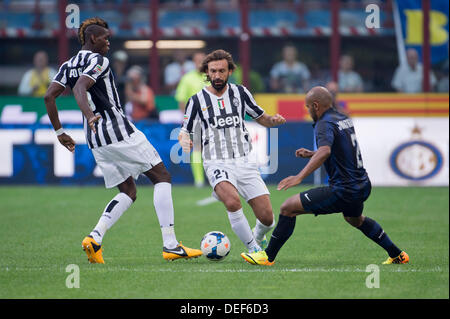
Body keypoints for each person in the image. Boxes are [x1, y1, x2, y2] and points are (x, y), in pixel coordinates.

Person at [43, 17, 202, 264]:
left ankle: (95, 238)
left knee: (128, 190)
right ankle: (171, 244)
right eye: (105, 38)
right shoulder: (99, 60)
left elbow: (49, 96)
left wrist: (59, 131)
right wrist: (89, 114)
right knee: (162, 176)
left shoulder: (67, 65)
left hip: (96, 138)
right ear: (93, 38)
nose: (108, 42)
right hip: (117, 130)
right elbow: (79, 89)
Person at [241, 86, 409, 266]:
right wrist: (312, 153)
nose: (308, 111)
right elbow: (340, 150)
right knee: (355, 219)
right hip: (362, 184)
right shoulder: (342, 118)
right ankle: (397, 254)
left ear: (316, 105)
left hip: (343, 189)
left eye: (308, 107)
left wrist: (299, 177)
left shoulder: (324, 123)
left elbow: (326, 151)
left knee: (288, 208)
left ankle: (268, 257)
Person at [178, 49, 286, 253]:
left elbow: (261, 117)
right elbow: (185, 130)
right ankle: (254, 249)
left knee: (268, 218)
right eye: (213, 71)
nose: (217, 75)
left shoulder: (240, 93)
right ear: (206, 73)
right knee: (232, 201)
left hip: (244, 160)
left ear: (229, 71)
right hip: (215, 161)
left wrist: (273, 120)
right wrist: (185, 140)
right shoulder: (196, 100)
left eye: (221, 71)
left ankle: (258, 236)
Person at [175, 51, 208, 187]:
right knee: (198, 148)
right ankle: (199, 180)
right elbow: (181, 100)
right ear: (193, 62)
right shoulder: (187, 78)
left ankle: (217, 178)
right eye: (197, 60)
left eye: (202, 60)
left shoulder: (212, 77)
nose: (200, 63)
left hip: (213, 119)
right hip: (196, 119)